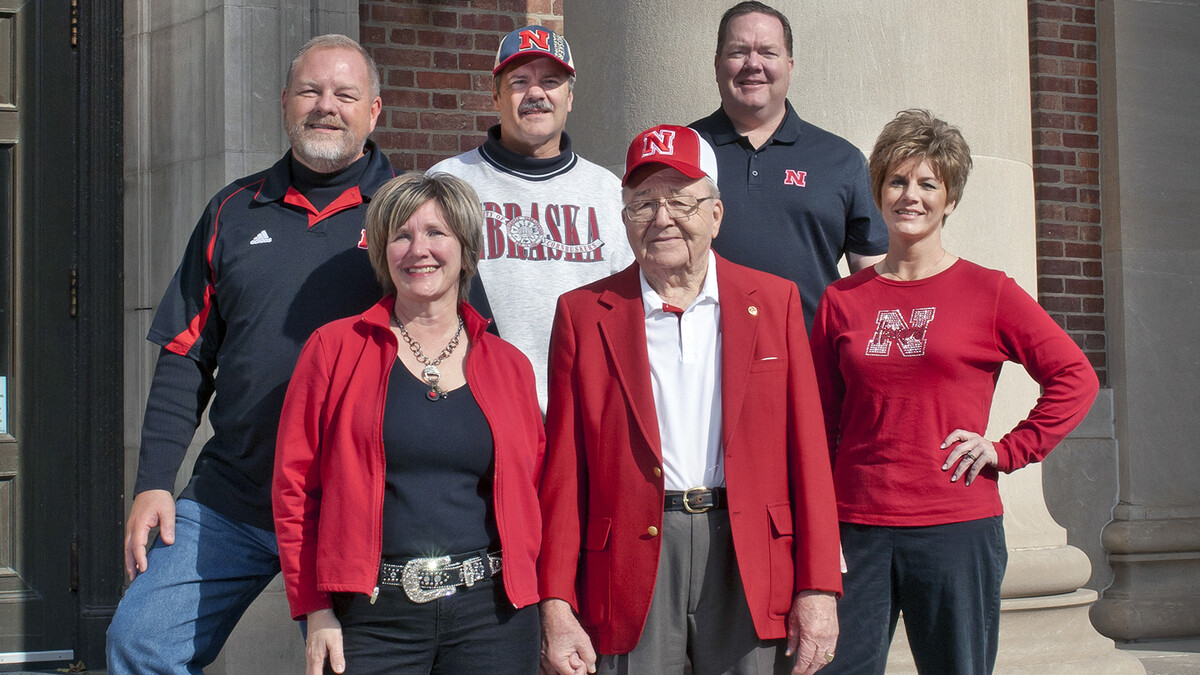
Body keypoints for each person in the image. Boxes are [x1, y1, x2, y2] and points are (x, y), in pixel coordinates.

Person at [106, 34, 393, 673]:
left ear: (374, 111)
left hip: (360, 502)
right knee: (140, 640)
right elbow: (185, 355)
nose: (326, 106)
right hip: (236, 494)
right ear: (284, 102)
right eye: (311, 91)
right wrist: (154, 480)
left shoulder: (412, 214)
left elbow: (465, 345)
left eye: (346, 94)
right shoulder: (233, 211)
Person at [538, 124, 842, 675]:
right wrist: (557, 603)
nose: (662, 218)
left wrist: (819, 585)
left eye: (681, 200)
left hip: (749, 554)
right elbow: (563, 472)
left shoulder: (774, 302)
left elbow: (809, 453)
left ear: (716, 214)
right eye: (643, 204)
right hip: (630, 562)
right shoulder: (583, 315)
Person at [809, 109, 1100, 675]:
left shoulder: (988, 291)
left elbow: (1074, 376)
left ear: (950, 198)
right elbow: (822, 420)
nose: (910, 196)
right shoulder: (843, 300)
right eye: (897, 181)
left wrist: (1009, 450)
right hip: (856, 526)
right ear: (878, 192)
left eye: (927, 183)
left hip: (955, 527)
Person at [273, 172, 545, 675]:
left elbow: (536, 489)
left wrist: (549, 603)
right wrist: (315, 609)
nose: (418, 249)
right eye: (401, 235)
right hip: (372, 619)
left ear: (466, 248)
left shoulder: (509, 366)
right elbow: (295, 490)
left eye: (436, 233)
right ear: (382, 252)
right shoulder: (333, 350)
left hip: (495, 618)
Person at [430, 25, 634, 408]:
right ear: (496, 96)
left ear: (570, 98)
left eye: (551, 81)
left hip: (581, 412)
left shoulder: (608, 192)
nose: (536, 94)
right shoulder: (448, 182)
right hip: (475, 407)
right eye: (519, 81)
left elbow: (629, 309)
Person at [690, 1, 887, 330]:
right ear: (717, 64)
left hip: (810, 365)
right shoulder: (682, 152)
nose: (753, 64)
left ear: (790, 65)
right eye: (739, 51)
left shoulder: (841, 160)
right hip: (703, 366)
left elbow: (874, 282)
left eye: (768, 52)